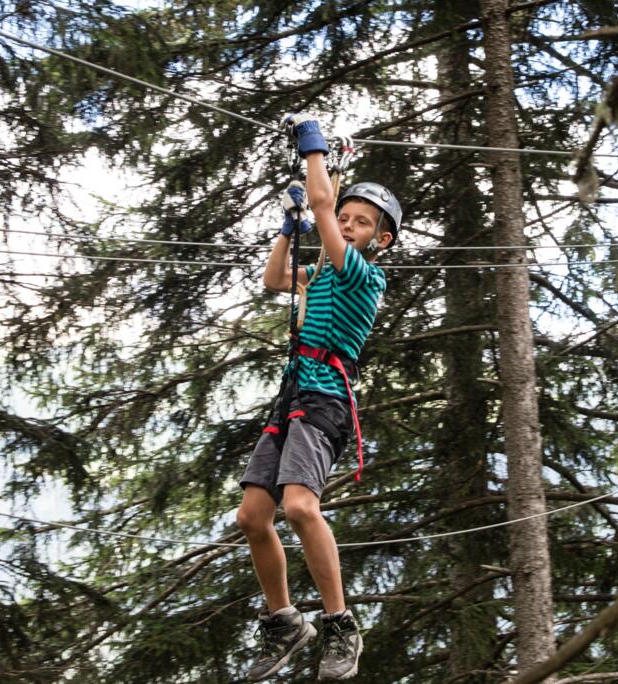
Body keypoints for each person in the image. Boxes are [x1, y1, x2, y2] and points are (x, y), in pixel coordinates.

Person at [236, 113, 399, 681]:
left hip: (326, 397)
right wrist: (288, 224)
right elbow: (275, 280)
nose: (347, 226)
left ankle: (339, 623)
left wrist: (315, 149)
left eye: (361, 223)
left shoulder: (362, 277)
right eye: (346, 217)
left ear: (378, 241)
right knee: (253, 516)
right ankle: (285, 620)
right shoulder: (322, 274)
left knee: (301, 505)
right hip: (294, 394)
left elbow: (325, 207)